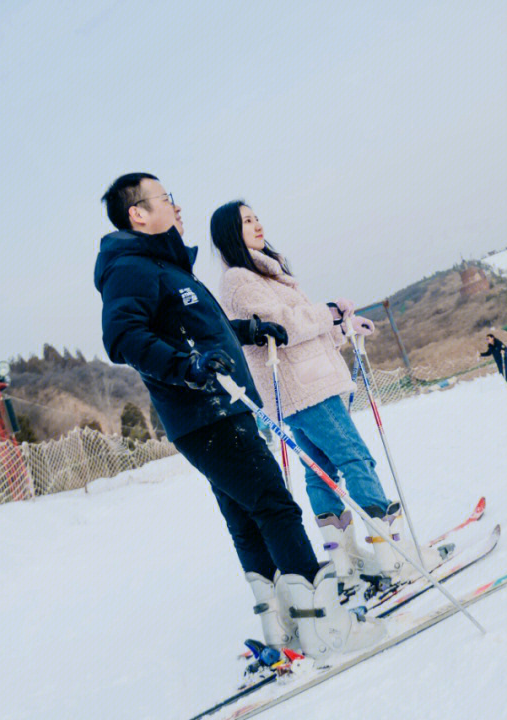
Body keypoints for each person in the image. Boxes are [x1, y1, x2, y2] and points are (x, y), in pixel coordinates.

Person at [95, 175, 381, 658]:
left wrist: (246, 329)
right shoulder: (132, 267)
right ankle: (325, 628)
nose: (177, 206)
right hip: (207, 412)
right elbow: (122, 337)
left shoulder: (166, 267)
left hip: (217, 410)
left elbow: (200, 328)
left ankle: (284, 626)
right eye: (165, 199)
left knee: (248, 517)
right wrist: (188, 368)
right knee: (275, 506)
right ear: (138, 214)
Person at [211, 200, 442, 594]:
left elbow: (304, 335)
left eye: (257, 217)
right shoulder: (240, 279)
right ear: (231, 233)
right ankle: (393, 555)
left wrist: (342, 328)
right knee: (356, 458)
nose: (257, 224)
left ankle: (345, 560)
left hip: (308, 379)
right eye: (246, 221)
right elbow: (284, 327)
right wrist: (330, 310)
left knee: (322, 471)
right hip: (304, 387)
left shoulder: (268, 271)